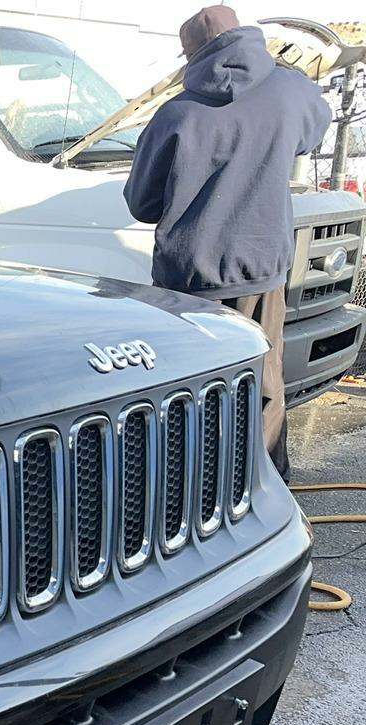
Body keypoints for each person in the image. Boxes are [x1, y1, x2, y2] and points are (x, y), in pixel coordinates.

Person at [124, 5, 332, 473]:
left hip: (188, 283)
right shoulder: (290, 91)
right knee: (263, 388)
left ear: (192, 54)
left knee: (188, 399)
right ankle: (265, 499)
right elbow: (312, 130)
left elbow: (141, 204)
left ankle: (191, 502)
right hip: (262, 273)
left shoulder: (176, 113)